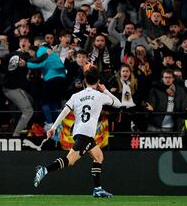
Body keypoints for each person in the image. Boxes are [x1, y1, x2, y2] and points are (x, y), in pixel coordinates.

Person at [33, 65, 122, 197]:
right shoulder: (99, 95)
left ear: (85, 82)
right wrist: (105, 90)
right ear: (98, 82)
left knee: (98, 156)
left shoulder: (76, 95)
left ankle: (97, 189)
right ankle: (44, 170)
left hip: (79, 132)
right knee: (70, 160)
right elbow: (119, 104)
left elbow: (64, 112)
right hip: (86, 133)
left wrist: (52, 128)